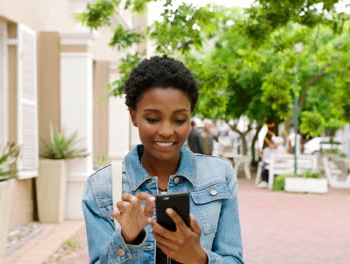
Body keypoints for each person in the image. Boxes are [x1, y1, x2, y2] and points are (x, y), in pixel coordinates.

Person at [82, 55, 243, 264]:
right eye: (152, 119)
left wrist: (199, 258)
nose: (167, 131)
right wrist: (128, 238)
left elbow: (234, 260)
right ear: (134, 116)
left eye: (179, 119)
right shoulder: (101, 186)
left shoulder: (219, 175)